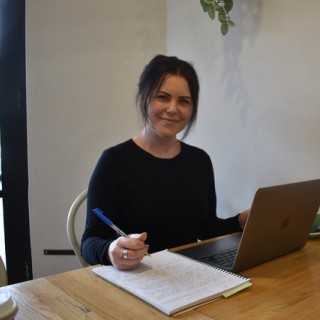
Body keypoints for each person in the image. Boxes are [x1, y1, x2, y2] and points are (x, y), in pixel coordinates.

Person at [81, 55, 250, 270]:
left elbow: (206, 230)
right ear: (144, 96)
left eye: (183, 101)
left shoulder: (199, 160)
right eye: (162, 97)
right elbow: (90, 242)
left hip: (190, 274)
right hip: (135, 277)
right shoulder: (114, 161)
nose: (173, 109)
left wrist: (239, 222)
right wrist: (111, 250)